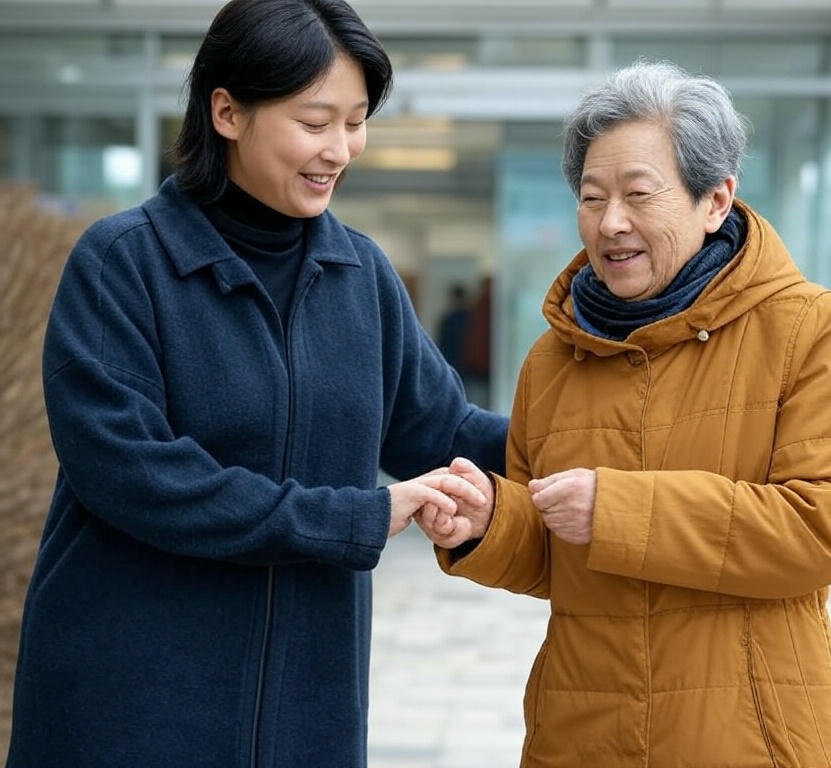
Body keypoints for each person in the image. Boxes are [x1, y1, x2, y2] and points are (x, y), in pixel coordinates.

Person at [5, 1, 506, 766]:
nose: (340, 149)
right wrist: (352, 517)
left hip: (308, 712)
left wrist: (622, 425)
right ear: (228, 111)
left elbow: (448, 434)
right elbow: (136, 475)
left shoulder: (362, 276)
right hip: (130, 707)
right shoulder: (123, 264)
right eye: (315, 122)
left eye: (357, 121)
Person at [417, 61, 831, 767]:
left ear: (716, 201)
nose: (611, 223)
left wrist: (619, 510)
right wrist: (489, 525)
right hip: (581, 735)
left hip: (744, 740)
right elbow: (552, 556)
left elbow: (825, 526)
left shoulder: (803, 327)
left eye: (638, 195)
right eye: (592, 196)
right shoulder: (552, 357)